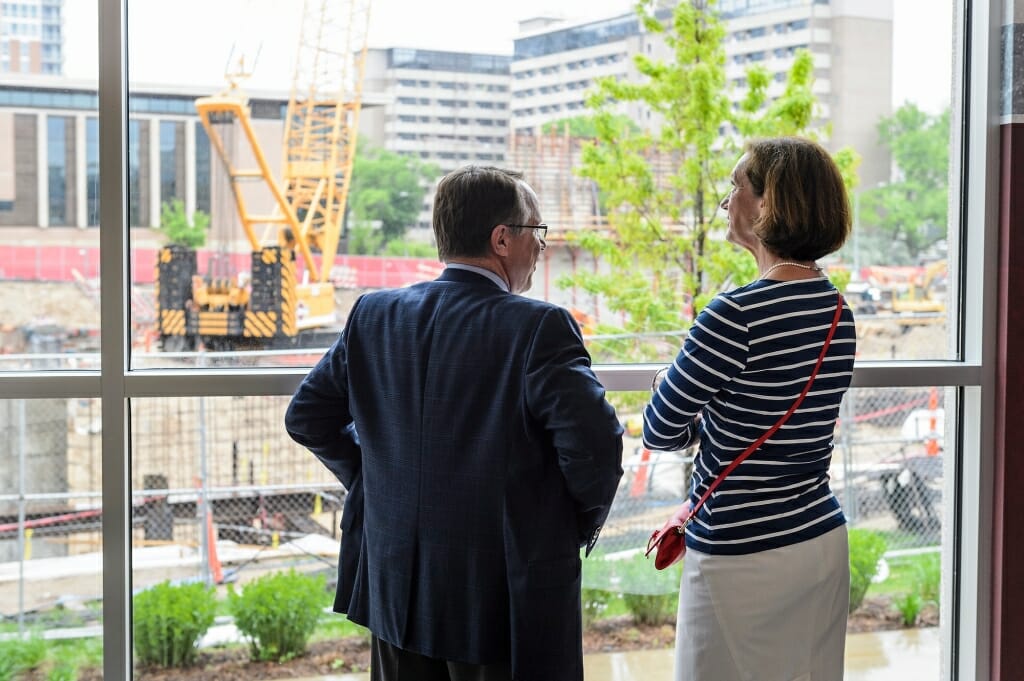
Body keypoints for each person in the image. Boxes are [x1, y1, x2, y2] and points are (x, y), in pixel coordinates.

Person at [285, 165, 624, 681]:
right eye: (537, 233)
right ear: (502, 239)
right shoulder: (539, 328)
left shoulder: (374, 314)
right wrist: (564, 522)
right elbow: (597, 449)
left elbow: (308, 417)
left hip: (398, 585)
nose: (541, 247)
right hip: (503, 592)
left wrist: (374, 479)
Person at [643, 136, 857, 681]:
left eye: (735, 186)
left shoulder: (733, 315)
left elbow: (662, 429)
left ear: (767, 204)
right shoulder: (838, 311)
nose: (726, 201)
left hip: (741, 552)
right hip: (818, 539)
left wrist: (669, 379)